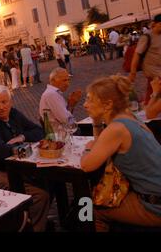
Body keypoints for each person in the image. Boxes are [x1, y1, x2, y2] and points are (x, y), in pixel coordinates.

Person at [81, 76, 161, 232]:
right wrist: (96, 121)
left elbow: (86, 165)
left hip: (154, 205)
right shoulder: (131, 118)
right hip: (154, 192)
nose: (85, 104)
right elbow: (101, 140)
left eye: (90, 100)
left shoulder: (116, 129)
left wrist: (88, 148)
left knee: (87, 205)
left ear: (108, 104)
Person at [0, 85, 50, 232]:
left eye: (4, 102)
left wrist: (21, 137)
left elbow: (39, 131)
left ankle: (33, 218)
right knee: (40, 195)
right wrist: (22, 146)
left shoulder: (14, 114)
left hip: (17, 168)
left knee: (49, 181)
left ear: (11, 102)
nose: (1, 107)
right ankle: (31, 227)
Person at [130, 14, 161, 104]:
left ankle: (149, 105)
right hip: (151, 68)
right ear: (155, 24)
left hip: (158, 68)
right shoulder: (147, 37)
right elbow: (137, 54)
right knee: (156, 86)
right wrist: (133, 72)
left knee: (152, 89)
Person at [39, 68, 82, 132]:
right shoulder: (51, 94)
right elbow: (67, 120)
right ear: (53, 80)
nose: (67, 84)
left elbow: (66, 118)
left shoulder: (54, 93)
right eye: (64, 80)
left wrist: (70, 104)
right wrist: (71, 106)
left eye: (68, 80)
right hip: (60, 135)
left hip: (62, 132)